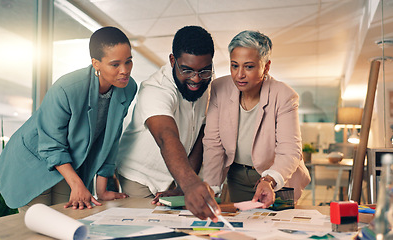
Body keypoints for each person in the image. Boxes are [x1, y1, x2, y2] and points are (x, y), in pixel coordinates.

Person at [0, 26, 137, 210]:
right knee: (42, 225)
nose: (124, 70)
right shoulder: (67, 88)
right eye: (115, 64)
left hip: (68, 163)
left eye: (129, 61)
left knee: (69, 219)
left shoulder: (128, 87)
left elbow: (110, 138)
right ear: (96, 63)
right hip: (34, 160)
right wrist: (77, 185)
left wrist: (102, 190)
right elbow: (50, 143)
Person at [116, 26, 220, 221]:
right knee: (147, 230)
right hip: (140, 177)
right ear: (173, 61)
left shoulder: (206, 80)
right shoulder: (156, 88)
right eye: (187, 70)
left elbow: (200, 135)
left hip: (176, 176)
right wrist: (189, 184)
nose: (196, 79)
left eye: (204, 70)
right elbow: (166, 136)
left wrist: (183, 184)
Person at [203, 30, 311, 207]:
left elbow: (290, 149)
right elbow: (213, 143)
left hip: (278, 177)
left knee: (276, 229)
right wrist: (212, 186)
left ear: (266, 67)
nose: (239, 74)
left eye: (249, 66)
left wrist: (269, 179)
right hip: (237, 176)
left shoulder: (284, 95)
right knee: (245, 226)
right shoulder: (219, 88)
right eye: (234, 65)